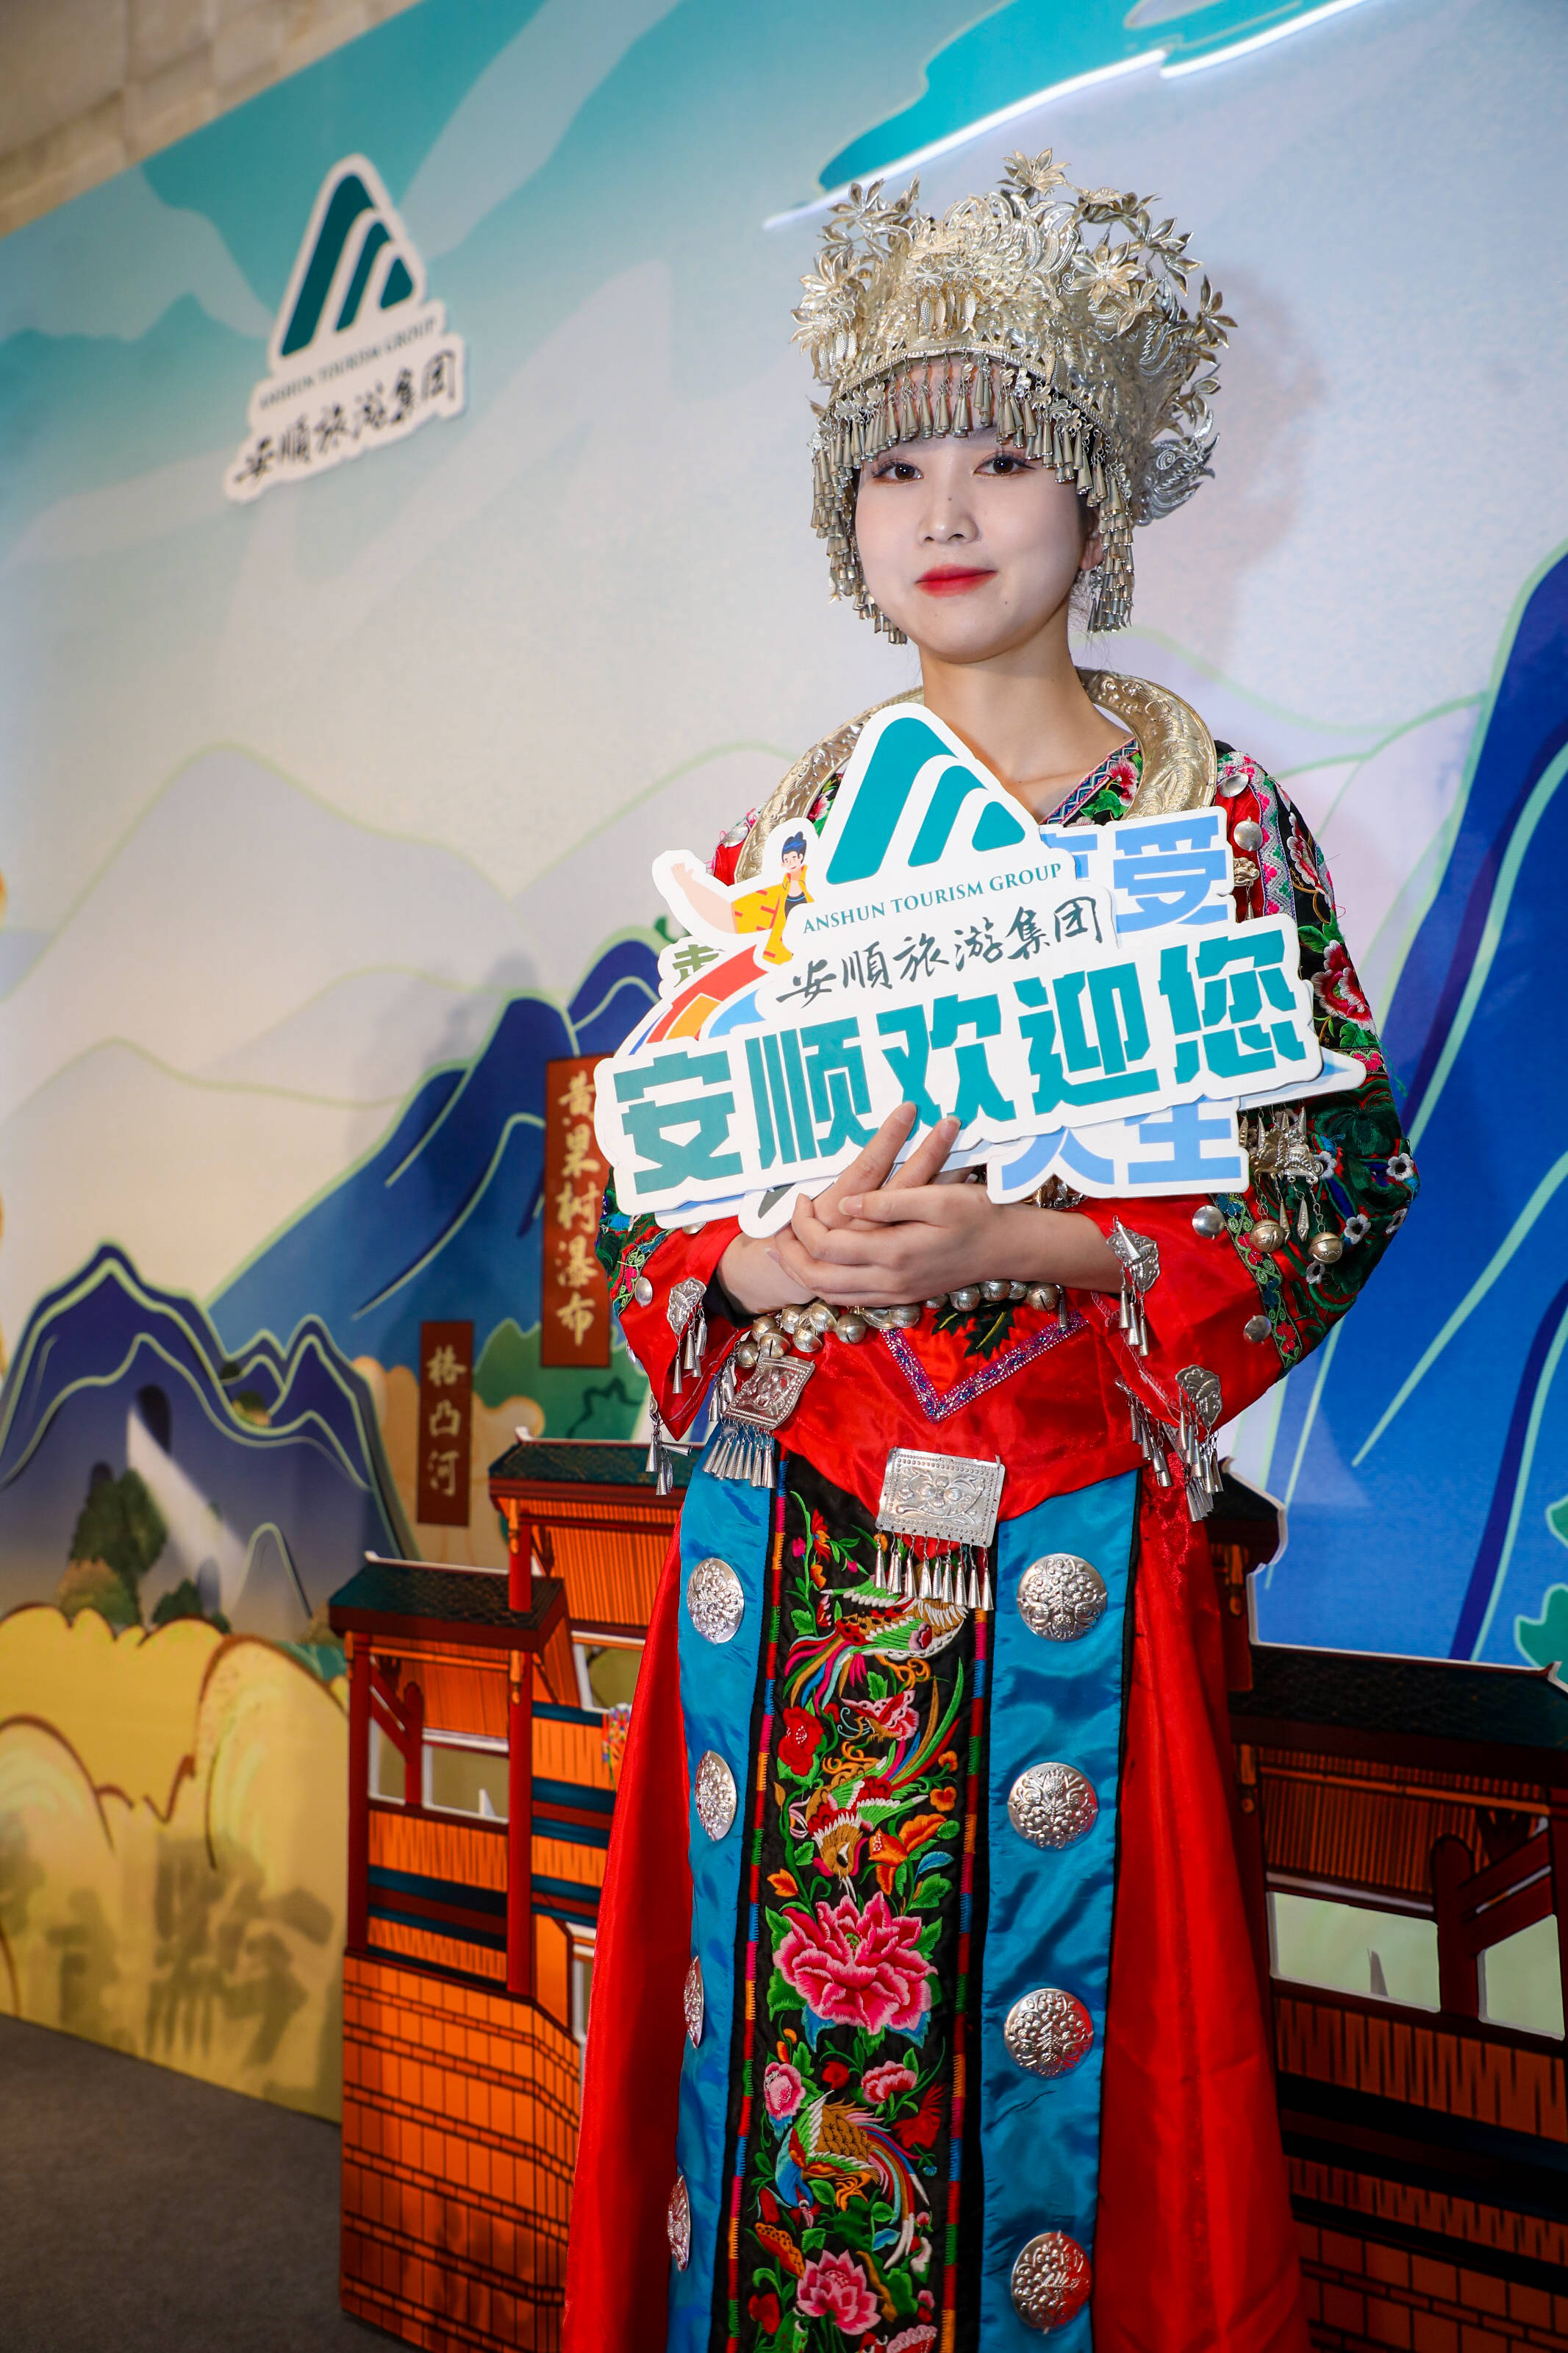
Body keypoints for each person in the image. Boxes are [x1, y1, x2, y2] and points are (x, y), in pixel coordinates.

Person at [567, 151, 1415, 2353]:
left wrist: (1026, 1235)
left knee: (1079, 2093)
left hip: (1067, 1539)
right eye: (894, 466)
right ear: (842, 519)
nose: (944, 510)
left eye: (1003, 454)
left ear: (1095, 489)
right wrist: (762, 1274)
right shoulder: (785, 845)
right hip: (794, 1548)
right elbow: (646, 1191)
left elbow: (1330, 1175)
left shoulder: (1210, 822)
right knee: (773, 2076)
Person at [666, 830, 814, 965]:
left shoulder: (818, 879)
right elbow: (728, 917)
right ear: (782, 863)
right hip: (793, 972)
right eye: (787, 859)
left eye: (793, 858)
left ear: (801, 857)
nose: (791, 862)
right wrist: (689, 886)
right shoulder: (776, 895)